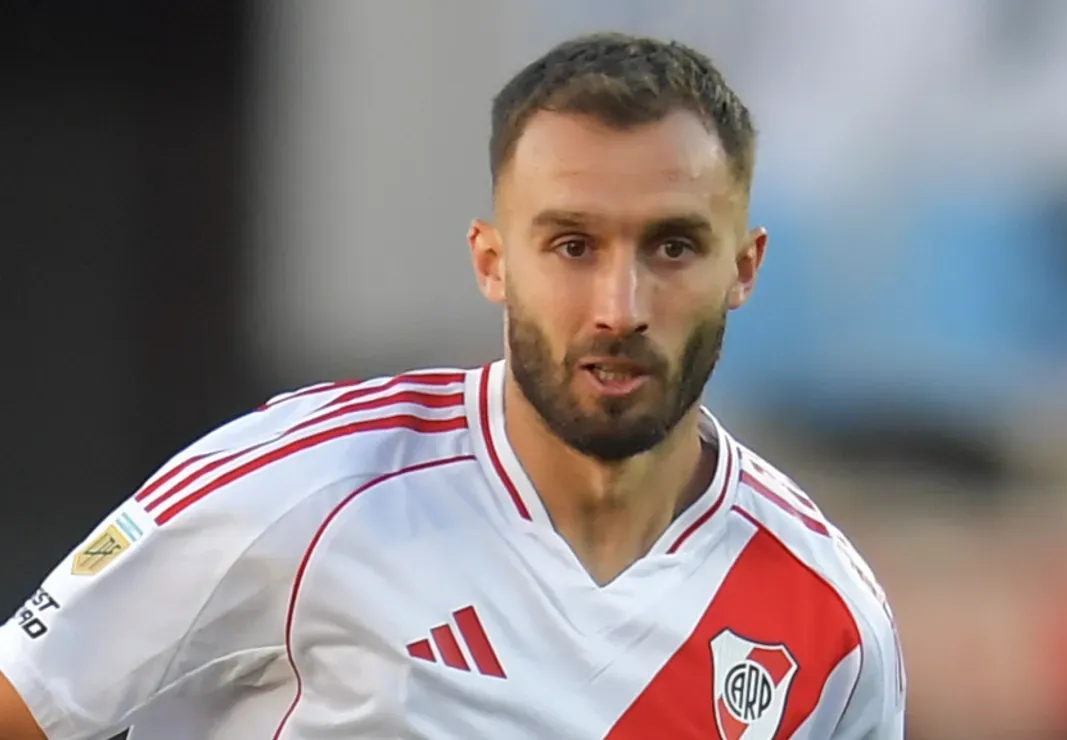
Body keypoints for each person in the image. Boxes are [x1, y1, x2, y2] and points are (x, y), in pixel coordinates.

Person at [0, 32, 905, 739]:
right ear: (492, 262)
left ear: (743, 268)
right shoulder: (301, 488)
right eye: (572, 246)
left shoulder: (829, 620)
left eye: (672, 246)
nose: (620, 306)